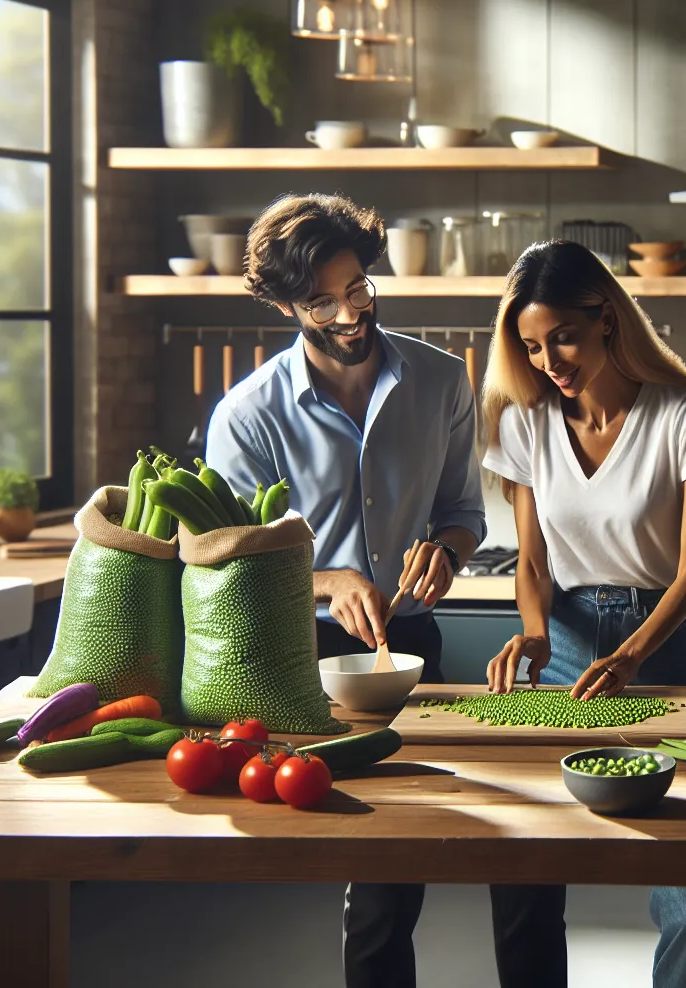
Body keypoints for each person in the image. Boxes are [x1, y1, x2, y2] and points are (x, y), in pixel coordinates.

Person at [204, 192, 556, 988]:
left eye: (357, 288)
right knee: (363, 861)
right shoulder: (249, 414)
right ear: (285, 304)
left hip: (411, 649)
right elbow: (224, 558)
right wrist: (326, 578)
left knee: (396, 867)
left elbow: (465, 514)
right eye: (320, 301)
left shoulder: (439, 381)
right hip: (301, 654)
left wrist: (446, 550)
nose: (348, 312)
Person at [480, 240, 686, 988]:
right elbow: (531, 561)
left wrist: (631, 654)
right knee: (523, 869)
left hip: (656, 649)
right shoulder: (524, 421)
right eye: (530, 345)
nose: (547, 360)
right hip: (557, 646)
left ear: (605, 319)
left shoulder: (680, 413)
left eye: (561, 335)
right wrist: (531, 630)